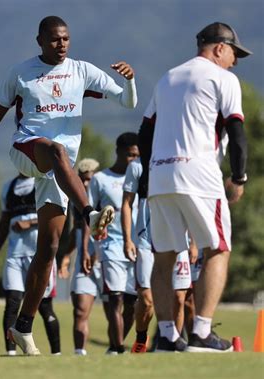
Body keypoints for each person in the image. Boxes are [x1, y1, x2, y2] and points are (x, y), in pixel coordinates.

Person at [0, 15, 137, 355]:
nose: (62, 44)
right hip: (27, 150)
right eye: (54, 39)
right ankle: (91, 215)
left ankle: (22, 326)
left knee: (49, 249)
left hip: (61, 171)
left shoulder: (82, 71)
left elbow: (127, 102)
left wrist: (129, 81)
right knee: (55, 149)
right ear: (39, 40)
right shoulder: (21, 73)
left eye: (66, 39)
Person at [138, 22, 251, 352]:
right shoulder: (224, 78)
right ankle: (201, 332)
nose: (234, 61)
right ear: (219, 48)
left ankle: (167, 337)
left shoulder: (167, 77)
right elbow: (237, 131)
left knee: (164, 258)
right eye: (233, 54)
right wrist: (239, 177)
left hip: (161, 176)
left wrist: (147, 175)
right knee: (217, 248)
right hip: (200, 175)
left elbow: (145, 132)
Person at [122, 157, 197, 352]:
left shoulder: (181, 160)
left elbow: (190, 202)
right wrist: (128, 239)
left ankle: (173, 344)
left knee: (179, 298)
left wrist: (194, 242)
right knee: (146, 300)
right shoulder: (137, 166)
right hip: (146, 242)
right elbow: (127, 204)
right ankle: (141, 339)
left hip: (178, 241)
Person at [0, 173, 61, 355]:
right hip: (14, 255)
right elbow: (4, 222)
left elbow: (58, 216)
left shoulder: (45, 182)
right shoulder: (8, 187)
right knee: (12, 303)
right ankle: (11, 354)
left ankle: (56, 354)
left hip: (40, 256)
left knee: (44, 306)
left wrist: (29, 222)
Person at [86, 132, 140, 354]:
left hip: (138, 247)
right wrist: (91, 243)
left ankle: (114, 347)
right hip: (110, 246)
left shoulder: (140, 175)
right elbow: (87, 213)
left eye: (137, 155)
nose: (133, 160)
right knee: (115, 300)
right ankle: (118, 348)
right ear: (118, 151)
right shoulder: (101, 179)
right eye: (130, 155)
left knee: (133, 304)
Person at [58, 158, 104, 355]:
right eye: (82, 179)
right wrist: (67, 256)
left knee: (118, 309)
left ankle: (117, 350)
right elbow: (77, 229)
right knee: (79, 310)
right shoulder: (77, 201)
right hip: (82, 257)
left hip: (107, 255)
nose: (85, 184)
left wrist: (96, 253)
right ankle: (80, 354)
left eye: (88, 180)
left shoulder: (107, 194)